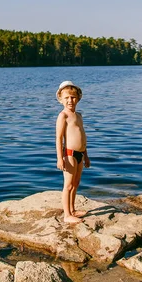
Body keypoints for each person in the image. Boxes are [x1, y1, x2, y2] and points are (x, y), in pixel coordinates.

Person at [56, 81, 90, 223]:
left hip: (80, 154)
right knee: (68, 185)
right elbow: (58, 138)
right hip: (69, 154)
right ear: (61, 99)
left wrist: (86, 155)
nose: (70, 100)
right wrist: (60, 158)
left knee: (75, 183)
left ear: (78, 98)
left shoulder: (79, 116)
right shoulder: (63, 116)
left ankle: (73, 209)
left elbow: (82, 136)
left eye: (73, 97)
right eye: (67, 98)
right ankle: (67, 215)